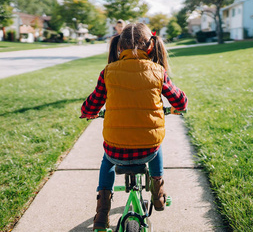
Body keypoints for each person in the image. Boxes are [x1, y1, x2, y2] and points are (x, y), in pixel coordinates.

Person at [80, 23, 188, 231]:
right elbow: (180, 102)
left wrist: (88, 112)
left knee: (106, 160)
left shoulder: (108, 72)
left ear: (119, 48)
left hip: (116, 151)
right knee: (156, 145)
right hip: (147, 151)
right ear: (151, 47)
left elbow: (92, 103)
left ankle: (102, 212)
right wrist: (173, 108)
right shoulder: (158, 71)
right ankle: (158, 193)